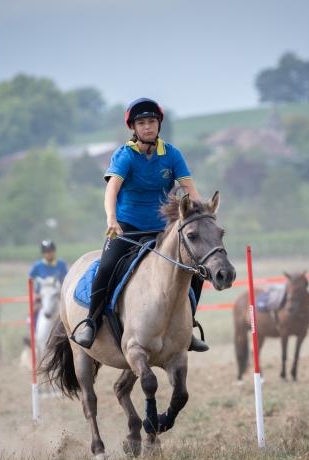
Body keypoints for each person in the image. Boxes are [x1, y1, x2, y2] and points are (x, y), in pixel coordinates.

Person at [71, 98, 208, 351]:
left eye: (152, 122)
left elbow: (190, 189)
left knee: (195, 266)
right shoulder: (125, 155)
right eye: (142, 123)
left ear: (159, 125)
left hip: (162, 229)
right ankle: (90, 321)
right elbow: (112, 190)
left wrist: (201, 216)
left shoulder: (172, 154)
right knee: (108, 265)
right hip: (126, 227)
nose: (147, 127)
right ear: (133, 128)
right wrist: (111, 219)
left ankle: (188, 326)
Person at [29, 239, 68, 308]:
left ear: (54, 251)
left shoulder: (61, 264)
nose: (48, 253)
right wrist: (35, 293)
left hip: (58, 296)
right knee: (33, 311)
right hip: (41, 297)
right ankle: (30, 318)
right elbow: (30, 279)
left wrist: (62, 293)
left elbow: (66, 280)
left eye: (50, 251)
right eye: (46, 251)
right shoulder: (38, 265)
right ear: (43, 253)